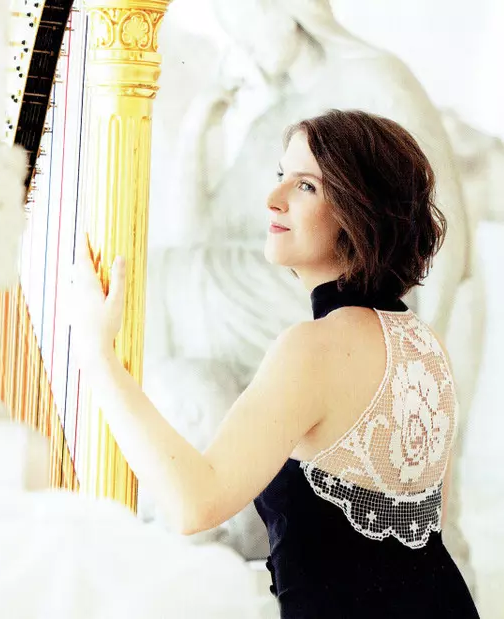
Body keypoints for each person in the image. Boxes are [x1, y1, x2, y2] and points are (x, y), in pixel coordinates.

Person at [69, 109, 479, 618]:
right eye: (281, 175)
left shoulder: (313, 348)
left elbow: (193, 504)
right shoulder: (426, 344)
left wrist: (98, 357)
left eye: (305, 186)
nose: (273, 198)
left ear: (359, 210)